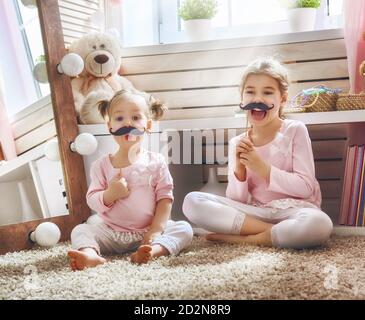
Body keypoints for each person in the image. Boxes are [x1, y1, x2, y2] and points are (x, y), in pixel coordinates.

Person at [182, 58, 333, 249]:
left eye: (268, 92)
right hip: (256, 212)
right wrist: (240, 171)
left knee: (321, 224)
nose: (258, 99)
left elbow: (306, 188)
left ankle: (250, 239)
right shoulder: (237, 142)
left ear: (283, 99)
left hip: (295, 211)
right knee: (192, 202)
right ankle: (269, 232)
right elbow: (237, 201)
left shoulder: (295, 130)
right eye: (250, 92)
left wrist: (262, 168)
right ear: (242, 99)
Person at [68, 90, 193, 270]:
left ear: (148, 125)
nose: (128, 123)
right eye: (119, 119)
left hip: (147, 231)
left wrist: (156, 230)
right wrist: (110, 194)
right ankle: (90, 255)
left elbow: (165, 198)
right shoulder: (101, 165)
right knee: (81, 230)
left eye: (135, 117)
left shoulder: (156, 162)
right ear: (109, 126)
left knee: (184, 229)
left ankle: (153, 251)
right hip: (111, 232)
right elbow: (93, 201)